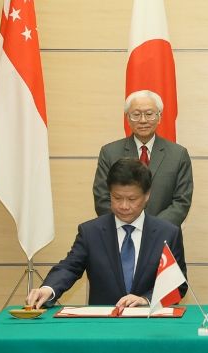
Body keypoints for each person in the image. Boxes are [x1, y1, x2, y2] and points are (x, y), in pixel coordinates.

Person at [27, 158, 187, 309]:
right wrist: (48, 289)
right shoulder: (91, 232)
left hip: (150, 325)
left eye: (132, 199)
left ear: (147, 196)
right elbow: (69, 267)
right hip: (102, 326)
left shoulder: (167, 233)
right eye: (117, 198)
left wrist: (145, 300)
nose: (124, 206)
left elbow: (178, 286)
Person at [93, 90, 193, 227]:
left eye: (149, 114)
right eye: (136, 114)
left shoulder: (178, 154)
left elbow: (181, 202)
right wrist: (128, 226)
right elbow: (102, 199)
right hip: (121, 234)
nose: (143, 120)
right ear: (127, 118)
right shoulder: (109, 152)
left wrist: (152, 228)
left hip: (162, 235)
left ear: (159, 117)